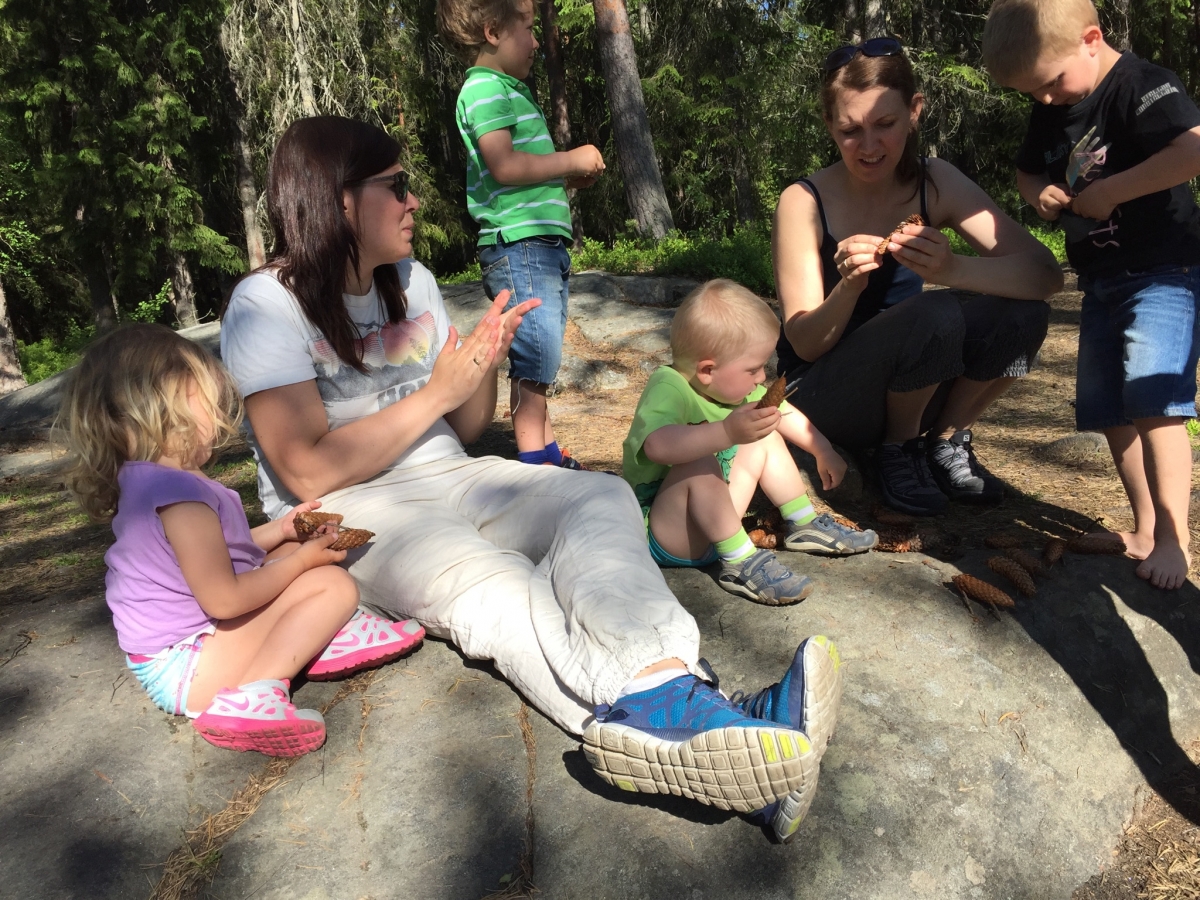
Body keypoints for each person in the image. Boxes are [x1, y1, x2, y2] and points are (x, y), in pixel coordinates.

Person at [218, 115, 838, 835]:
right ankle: (692, 713)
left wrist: (482, 365)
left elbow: (465, 428)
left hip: (453, 472)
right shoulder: (267, 303)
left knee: (599, 493)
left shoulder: (411, 282)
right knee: (489, 580)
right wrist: (438, 393)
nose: (414, 201)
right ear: (338, 199)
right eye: (397, 186)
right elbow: (303, 468)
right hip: (352, 511)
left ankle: (692, 706)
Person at [58, 324, 424, 757]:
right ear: (168, 404)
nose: (218, 416)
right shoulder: (180, 495)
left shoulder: (154, 482)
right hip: (190, 668)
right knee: (332, 584)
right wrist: (303, 563)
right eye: (209, 402)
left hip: (185, 652)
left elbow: (217, 551)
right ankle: (251, 697)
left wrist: (284, 533)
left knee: (288, 552)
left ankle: (318, 637)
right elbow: (225, 601)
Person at [772, 37, 1063, 516]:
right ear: (829, 126)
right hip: (819, 400)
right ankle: (899, 451)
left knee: (1021, 312)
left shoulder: (935, 181)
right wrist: (848, 287)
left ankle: (945, 442)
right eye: (850, 130)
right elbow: (804, 344)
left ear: (915, 111)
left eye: (885, 124)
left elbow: (1044, 275)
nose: (869, 147)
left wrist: (953, 268)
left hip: (916, 380)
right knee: (936, 311)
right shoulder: (803, 201)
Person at [983, 0, 1200, 590]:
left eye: (1051, 83)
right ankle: (1144, 526)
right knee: (1106, 410)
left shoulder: (1141, 84)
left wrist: (1117, 191)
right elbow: (1030, 171)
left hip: (1162, 272)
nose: (1046, 100)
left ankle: (1175, 543)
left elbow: (1191, 149)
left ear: (1091, 39)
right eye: (1031, 93)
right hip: (1100, 282)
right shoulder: (1051, 108)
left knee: (1157, 405)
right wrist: (1040, 196)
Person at [623, 279, 878, 606]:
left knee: (764, 430)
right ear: (707, 371)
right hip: (669, 533)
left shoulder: (738, 392)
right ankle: (740, 561)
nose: (761, 378)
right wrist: (727, 433)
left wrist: (822, 449)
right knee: (697, 459)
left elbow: (784, 413)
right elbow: (658, 446)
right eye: (753, 368)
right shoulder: (669, 386)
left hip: (719, 521)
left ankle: (803, 523)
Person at [437, 0, 605, 469]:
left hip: (537, 243)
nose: (536, 41)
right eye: (528, 29)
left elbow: (515, 175)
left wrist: (563, 179)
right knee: (534, 352)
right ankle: (535, 459)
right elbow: (505, 165)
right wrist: (570, 159)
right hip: (522, 244)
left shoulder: (504, 88)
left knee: (543, 347)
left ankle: (546, 447)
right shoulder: (486, 89)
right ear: (493, 31)